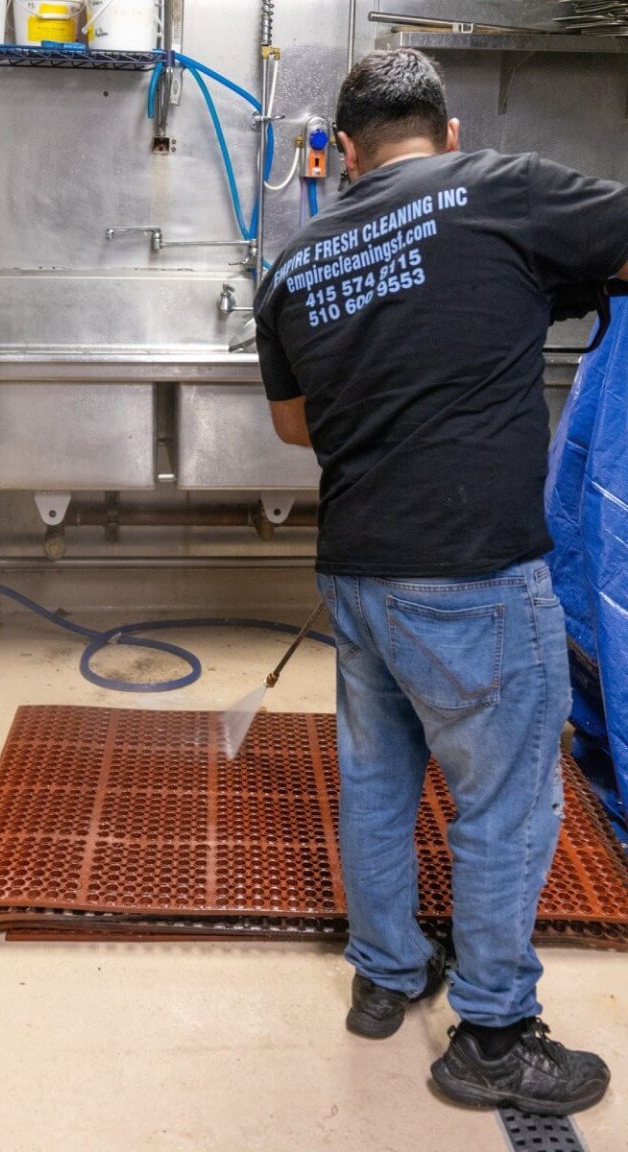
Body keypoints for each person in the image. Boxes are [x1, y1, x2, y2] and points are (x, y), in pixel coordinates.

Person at [253, 47, 628, 1115]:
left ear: (349, 155)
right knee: (504, 805)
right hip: (471, 576)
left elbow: (295, 427)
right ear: (448, 131)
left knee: (377, 782)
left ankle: (384, 976)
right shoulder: (498, 189)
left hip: (358, 575)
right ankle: (497, 1038)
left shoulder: (294, 262)